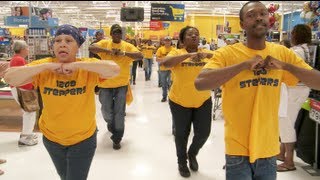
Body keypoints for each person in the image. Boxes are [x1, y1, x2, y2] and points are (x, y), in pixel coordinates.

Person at [194, 2, 320, 180]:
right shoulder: (227, 54)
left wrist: (285, 66)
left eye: (263, 13)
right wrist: (243, 65)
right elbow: (200, 83)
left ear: (269, 20)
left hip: (268, 149)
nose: (259, 17)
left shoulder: (282, 53)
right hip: (237, 149)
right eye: (252, 15)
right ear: (242, 24)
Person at [4, 24, 120, 180]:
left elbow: (114, 69)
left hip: (83, 139)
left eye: (69, 40)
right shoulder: (43, 67)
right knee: (64, 175)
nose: (62, 43)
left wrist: (76, 65)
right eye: (58, 40)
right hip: (52, 139)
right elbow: (10, 77)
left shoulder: (87, 66)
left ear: (78, 46)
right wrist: (48, 66)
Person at [160, 26, 213, 178]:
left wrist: (203, 55)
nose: (194, 36)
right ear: (182, 40)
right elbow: (166, 63)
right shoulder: (177, 53)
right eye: (190, 35)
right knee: (181, 134)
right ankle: (181, 162)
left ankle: (192, 153)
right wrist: (190, 55)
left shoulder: (205, 54)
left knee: (204, 133)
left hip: (203, 100)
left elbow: (220, 58)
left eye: (196, 34)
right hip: (179, 101)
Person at [89, 24, 143, 150]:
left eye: (119, 33)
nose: (117, 35)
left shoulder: (127, 46)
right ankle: (111, 125)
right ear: (111, 34)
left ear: (121, 35)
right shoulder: (105, 43)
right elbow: (91, 47)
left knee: (119, 113)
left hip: (121, 85)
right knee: (106, 111)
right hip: (105, 84)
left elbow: (140, 55)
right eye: (115, 33)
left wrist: (124, 54)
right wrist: (108, 51)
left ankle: (117, 137)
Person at [277, 24, 312, 172]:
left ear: (296, 35)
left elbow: (289, 70)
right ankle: (281, 152)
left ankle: (289, 161)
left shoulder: (296, 52)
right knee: (287, 120)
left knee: (285, 121)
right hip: (301, 89)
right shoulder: (306, 49)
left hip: (294, 89)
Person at [9, 40, 38, 146]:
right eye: (27, 48)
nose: (28, 50)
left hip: (20, 89)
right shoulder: (19, 60)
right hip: (23, 90)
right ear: (22, 49)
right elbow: (23, 77)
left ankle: (27, 134)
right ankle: (26, 136)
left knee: (28, 112)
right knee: (29, 112)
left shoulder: (16, 59)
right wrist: (31, 87)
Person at [156, 36, 175, 102]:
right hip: (163, 69)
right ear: (164, 41)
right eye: (166, 40)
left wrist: (164, 59)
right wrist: (166, 60)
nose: (167, 42)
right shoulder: (160, 49)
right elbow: (157, 59)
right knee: (164, 84)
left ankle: (171, 97)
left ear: (171, 41)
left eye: (169, 41)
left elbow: (175, 58)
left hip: (172, 69)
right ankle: (164, 96)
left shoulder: (174, 49)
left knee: (171, 84)